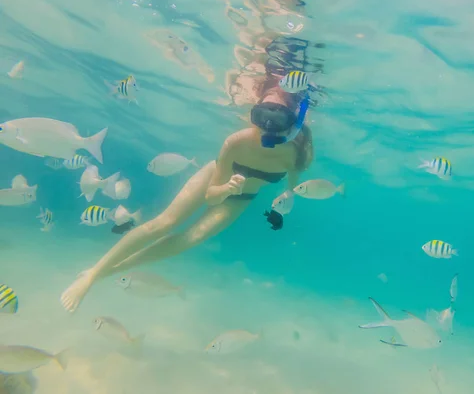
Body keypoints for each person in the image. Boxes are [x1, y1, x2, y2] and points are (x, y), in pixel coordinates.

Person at [60, 75, 314, 313]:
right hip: (214, 182)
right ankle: (93, 274)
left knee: (192, 237)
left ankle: (101, 273)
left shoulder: (297, 154)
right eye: (259, 116)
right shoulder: (236, 142)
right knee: (164, 223)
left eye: (277, 119)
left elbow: (292, 184)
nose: (266, 127)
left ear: (293, 123)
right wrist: (227, 187)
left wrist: (287, 196)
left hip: (242, 198)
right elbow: (211, 197)